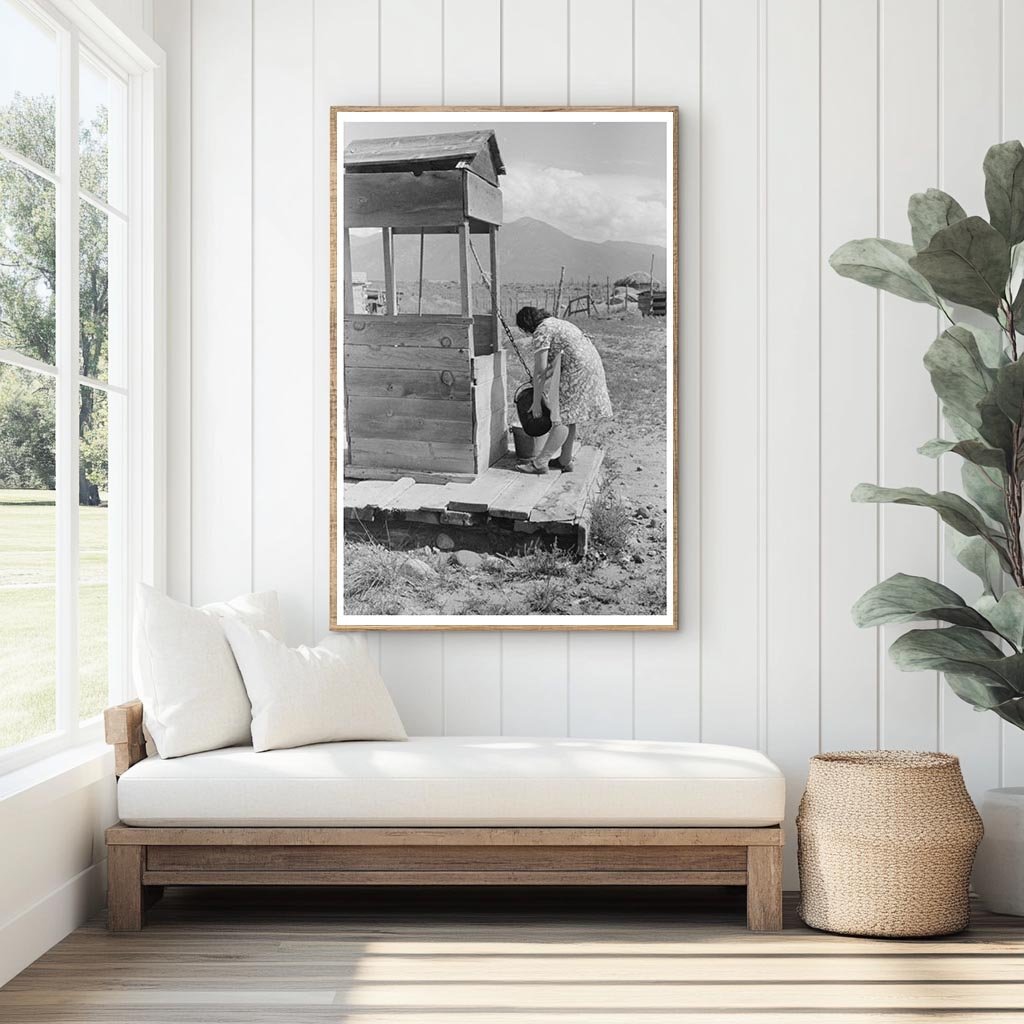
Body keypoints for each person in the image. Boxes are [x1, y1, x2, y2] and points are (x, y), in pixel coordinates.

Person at [514, 306, 613, 473]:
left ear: (527, 325)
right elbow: (554, 363)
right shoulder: (557, 324)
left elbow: (540, 370)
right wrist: (541, 380)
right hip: (590, 366)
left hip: (577, 371)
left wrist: (536, 403)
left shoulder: (542, 331)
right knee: (570, 414)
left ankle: (540, 463)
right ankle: (565, 460)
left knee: (561, 418)